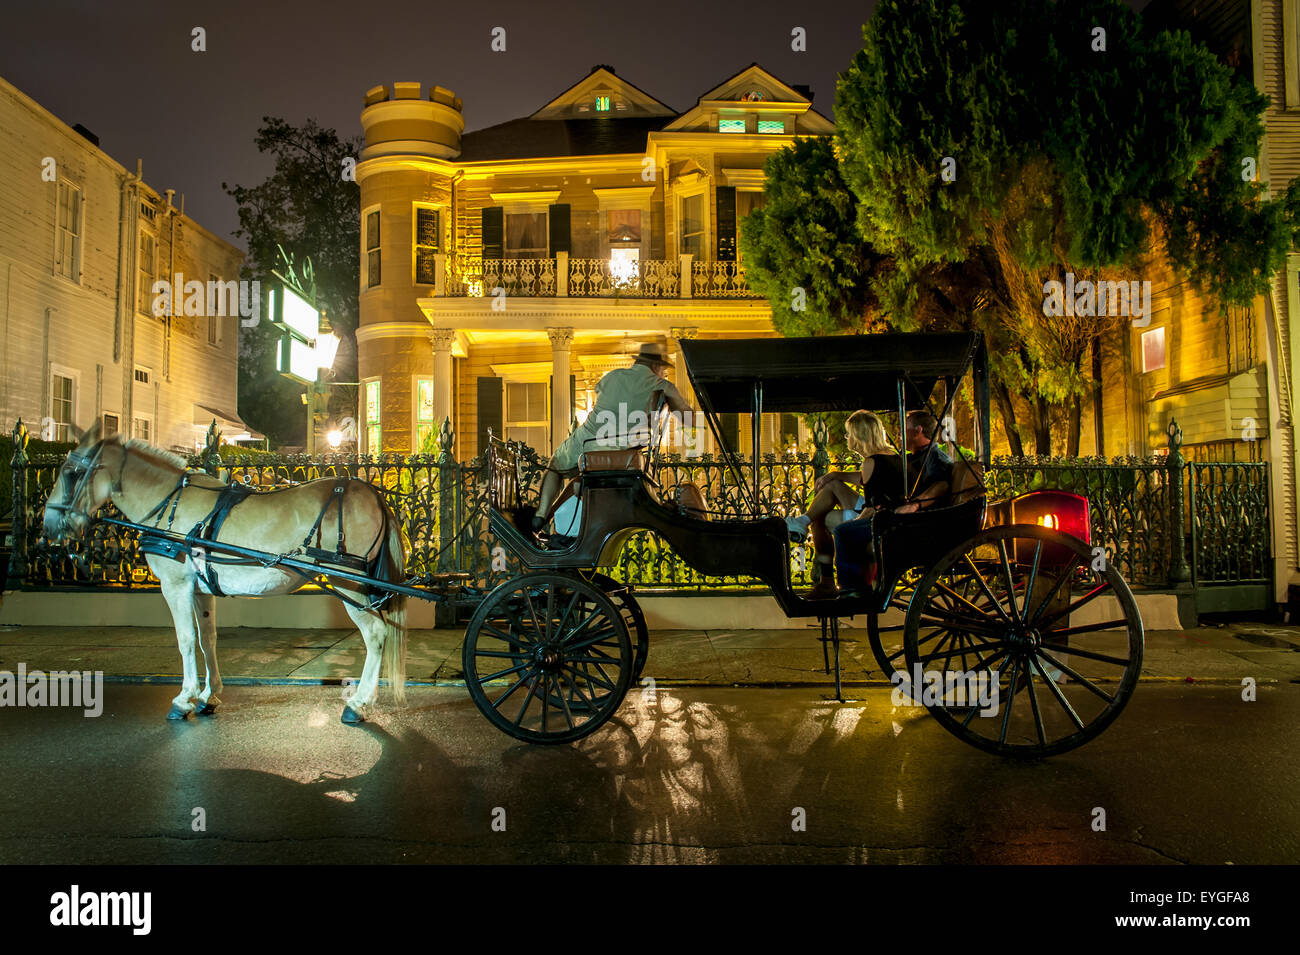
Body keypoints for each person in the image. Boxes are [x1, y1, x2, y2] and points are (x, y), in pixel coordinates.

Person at [530, 342, 692, 532]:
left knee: (555, 465)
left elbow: (600, 395)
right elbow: (689, 419)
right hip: (627, 449)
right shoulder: (663, 386)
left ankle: (540, 514)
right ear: (656, 366)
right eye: (663, 370)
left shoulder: (612, 376)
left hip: (590, 439)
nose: (663, 373)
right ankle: (553, 520)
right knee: (580, 479)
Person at [825, 409, 955, 596]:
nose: (900, 434)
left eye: (905, 429)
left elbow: (940, 485)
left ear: (918, 430)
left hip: (915, 523)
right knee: (845, 523)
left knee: (843, 531)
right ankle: (856, 586)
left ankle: (851, 590)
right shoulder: (914, 456)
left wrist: (915, 505)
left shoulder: (934, 457)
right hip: (900, 517)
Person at [785, 411, 904, 597]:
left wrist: (851, 525)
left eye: (848, 433)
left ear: (858, 436)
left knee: (823, 520)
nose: (846, 437)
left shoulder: (871, 462)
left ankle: (832, 583)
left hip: (878, 517)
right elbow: (869, 480)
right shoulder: (890, 456)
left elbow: (874, 504)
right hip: (889, 512)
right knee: (831, 488)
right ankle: (803, 521)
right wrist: (835, 474)